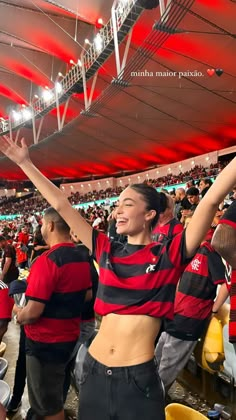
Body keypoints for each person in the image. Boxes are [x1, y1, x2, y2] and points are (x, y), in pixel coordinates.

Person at [0, 136, 236, 420]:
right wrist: (25, 163)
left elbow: (211, 199)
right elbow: (62, 206)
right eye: (117, 205)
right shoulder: (106, 249)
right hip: (93, 373)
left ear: (150, 214)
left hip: (137, 380)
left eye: (127, 204)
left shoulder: (169, 253)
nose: (118, 210)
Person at [12, 207, 93, 420]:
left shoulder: (48, 260)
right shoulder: (81, 256)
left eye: (41, 224)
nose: (40, 227)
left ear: (50, 225)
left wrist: (18, 314)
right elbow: (86, 295)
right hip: (69, 337)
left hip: (44, 344)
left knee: (48, 404)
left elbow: (32, 313)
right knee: (55, 392)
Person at [155, 239, 228, 392]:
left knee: (165, 371)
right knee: (156, 361)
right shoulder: (188, 251)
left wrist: (214, 309)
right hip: (173, 316)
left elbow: (227, 284)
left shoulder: (209, 253)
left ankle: (152, 406)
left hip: (189, 321)